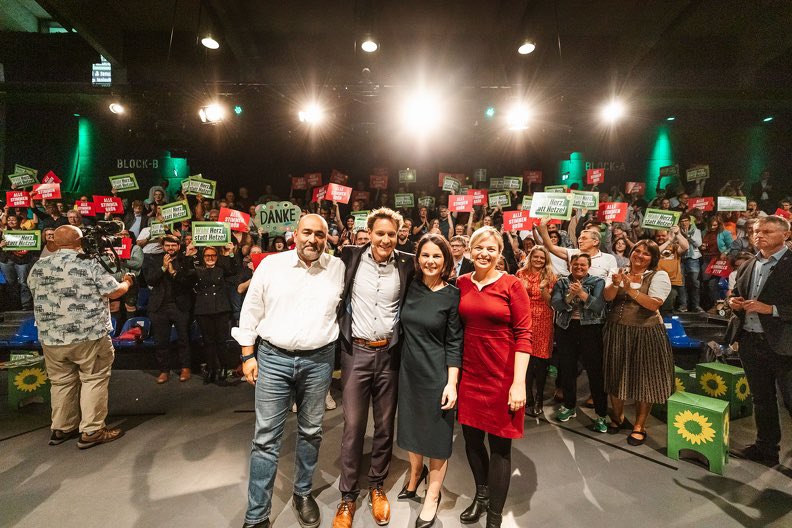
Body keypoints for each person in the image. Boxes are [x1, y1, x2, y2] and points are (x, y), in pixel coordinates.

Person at [232, 214, 345, 528]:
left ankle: (302, 493)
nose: (312, 240)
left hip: (319, 361)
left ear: (326, 238)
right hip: (273, 359)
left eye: (319, 234)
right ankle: (257, 515)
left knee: (311, 432)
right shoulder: (271, 265)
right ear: (295, 234)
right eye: (307, 232)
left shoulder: (338, 268)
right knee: (266, 438)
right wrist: (247, 355)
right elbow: (251, 310)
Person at [333, 208, 415, 528]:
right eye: (380, 233)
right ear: (369, 233)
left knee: (384, 426)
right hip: (356, 353)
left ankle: (377, 486)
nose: (385, 239)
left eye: (391, 234)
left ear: (399, 236)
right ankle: (348, 496)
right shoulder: (349, 257)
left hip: (390, 355)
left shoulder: (407, 263)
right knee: (353, 426)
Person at [28, 225, 133, 448]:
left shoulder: (39, 265)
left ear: (55, 242)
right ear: (80, 241)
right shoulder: (88, 263)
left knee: (60, 382)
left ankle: (62, 427)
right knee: (93, 379)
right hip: (88, 335)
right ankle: (92, 430)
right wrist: (127, 282)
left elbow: (32, 290)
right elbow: (114, 291)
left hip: (51, 338)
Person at [455, 226, 532, 528]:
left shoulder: (512, 284)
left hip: (503, 377)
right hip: (471, 374)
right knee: (472, 441)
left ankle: (494, 518)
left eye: (491, 249)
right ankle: (482, 495)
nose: (484, 253)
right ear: (469, 251)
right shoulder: (461, 283)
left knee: (500, 447)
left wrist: (519, 382)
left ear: (500, 253)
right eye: (479, 248)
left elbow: (524, 335)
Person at [396, 234, 463, 528]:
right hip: (409, 373)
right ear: (417, 258)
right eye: (425, 255)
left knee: (436, 438)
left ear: (446, 260)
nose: (430, 261)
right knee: (411, 430)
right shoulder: (410, 286)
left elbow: (455, 342)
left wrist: (451, 383)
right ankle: (415, 474)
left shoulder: (452, 295)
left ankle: (432, 495)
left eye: (437, 256)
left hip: (437, 375)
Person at [727, 215, 792, 466]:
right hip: (751, 342)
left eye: (766, 231)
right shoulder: (747, 265)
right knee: (761, 399)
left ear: (786, 235)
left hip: (784, 344)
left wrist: (771, 309)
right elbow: (735, 295)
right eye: (756, 231)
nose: (759, 235)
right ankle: (766, 449)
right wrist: (733, 302)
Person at [603, 240, 674, 446]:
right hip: (617, 330)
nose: (640, 256)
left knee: (645, 379)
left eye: (646, 253)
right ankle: (618, 416)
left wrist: (630, 289)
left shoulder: (658, 276)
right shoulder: (619, 271)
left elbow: (653, 305)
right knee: (615, 375)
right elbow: (608, 297)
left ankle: (639, 425)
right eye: (637, 251)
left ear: (653, 258)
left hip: (646, 332)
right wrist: (615, 284)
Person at [550, 254, 608, 431]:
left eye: (583, 264)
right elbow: (556, 305)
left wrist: (582, 293)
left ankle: (601, 414)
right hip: (566, 329)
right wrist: (569, 296)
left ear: (589, 266)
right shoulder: (561, 282)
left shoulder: (598, 282)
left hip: (591, 330)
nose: (579, 267)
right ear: (570, 265)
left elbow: (598, 307)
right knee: (567, 369)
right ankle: (569, 406)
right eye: (575, 264)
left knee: (595, 372)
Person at [142, 236, 194, 383]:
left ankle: (185, 368)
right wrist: (163, 268)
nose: (170, 248)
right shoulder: (154, 260)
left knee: (184, 339)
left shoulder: (186, 260)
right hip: (159, 306)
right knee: (161, 341)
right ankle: (164, 370)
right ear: (163, 246)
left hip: (180, 305)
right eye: (167, 245)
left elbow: (188, 282)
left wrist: (173, 272)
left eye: (173, 245)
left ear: (179, 246)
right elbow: (150, 280)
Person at [184, 245, 235, 384]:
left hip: (221, 309)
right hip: (204, 309)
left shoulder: (222, 269)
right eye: (207, 255)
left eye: (213, 255)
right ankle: (211, 369)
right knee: (208, 341)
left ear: (217, 257)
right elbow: (184, 275)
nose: (210, 258)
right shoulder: (197, 270)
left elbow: (233, 270)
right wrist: (188, 255)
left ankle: (223, 367)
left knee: (221, 341)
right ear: (203, 257)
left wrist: (230, 253)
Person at [515, 246, 556, 416]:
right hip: (524, 318)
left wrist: (543, 288)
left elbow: (551, 302)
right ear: (530, 257)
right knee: (526, 359)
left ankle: (539, 397)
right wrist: (523, 289)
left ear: (546, 260)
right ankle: (528, 396)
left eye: (542, 258)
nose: (538, 260)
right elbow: (516, 299)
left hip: (543, 319)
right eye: (536, 256)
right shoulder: (520, 274)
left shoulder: (550, 276)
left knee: (540, 362)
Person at [535, 217, 617, 280]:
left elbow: (613, 283)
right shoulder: (573, 253)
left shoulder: (609, 259)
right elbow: (550, 247)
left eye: (584, 238)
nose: (580, 241)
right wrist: (543, 227)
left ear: (595, 242)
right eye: (579, 239)